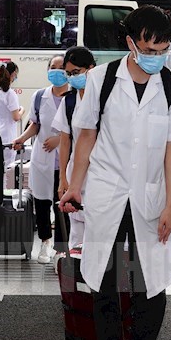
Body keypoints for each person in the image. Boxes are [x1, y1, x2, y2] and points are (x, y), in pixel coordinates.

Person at [60, 5, 171, 340]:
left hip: (150, 196)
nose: (156, 57)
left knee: (149, 276)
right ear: (130, 43)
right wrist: (74, 185)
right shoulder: (101, 79)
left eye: (163, 50)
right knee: (104, 275)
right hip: (107, 192)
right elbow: (86, 137)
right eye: (149, 50)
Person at [12, 55, 69, 263]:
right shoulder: (39, 96)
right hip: (42, 160)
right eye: (53, 67)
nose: (56, 71)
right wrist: (21, 138)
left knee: (62, 205)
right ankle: (45, 242)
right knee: (42, 203)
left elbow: (82, 130)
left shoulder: (75, 97)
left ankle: (61, 249)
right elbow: (35, 124)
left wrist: (59, 139)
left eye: (61, 68)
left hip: (65, 162)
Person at [53, 46, 96, 251]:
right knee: (77, 234)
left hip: (102, 172)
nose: (72, 78)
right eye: (68, 74)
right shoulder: (69, 102)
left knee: (99, 233)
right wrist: (63, 178)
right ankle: (76, 267)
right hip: (75, 174)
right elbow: (65, 142)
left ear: (91, 68)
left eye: (76, 72)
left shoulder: (105, 99)